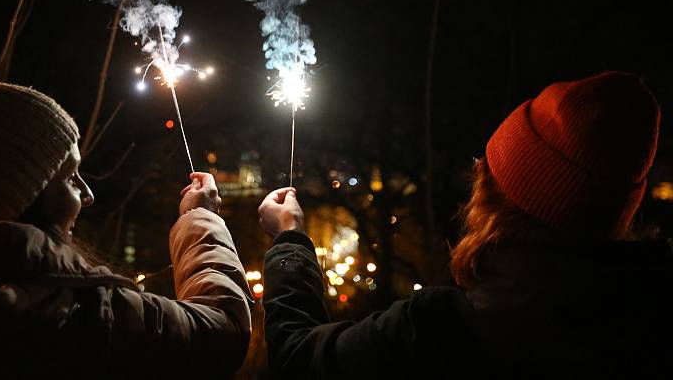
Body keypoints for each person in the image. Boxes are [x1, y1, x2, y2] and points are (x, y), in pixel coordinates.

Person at [258, 71, 673, 378]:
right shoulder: (649, 331)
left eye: (487, 171)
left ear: (499, 199)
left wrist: (290, 241)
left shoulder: (439, 333)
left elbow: (297, 360)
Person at [0, 81, 252, 378]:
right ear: (16, 195)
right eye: (70, 177)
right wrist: (200, 219)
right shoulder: (76, 318)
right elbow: (220, 334)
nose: (87, 195)